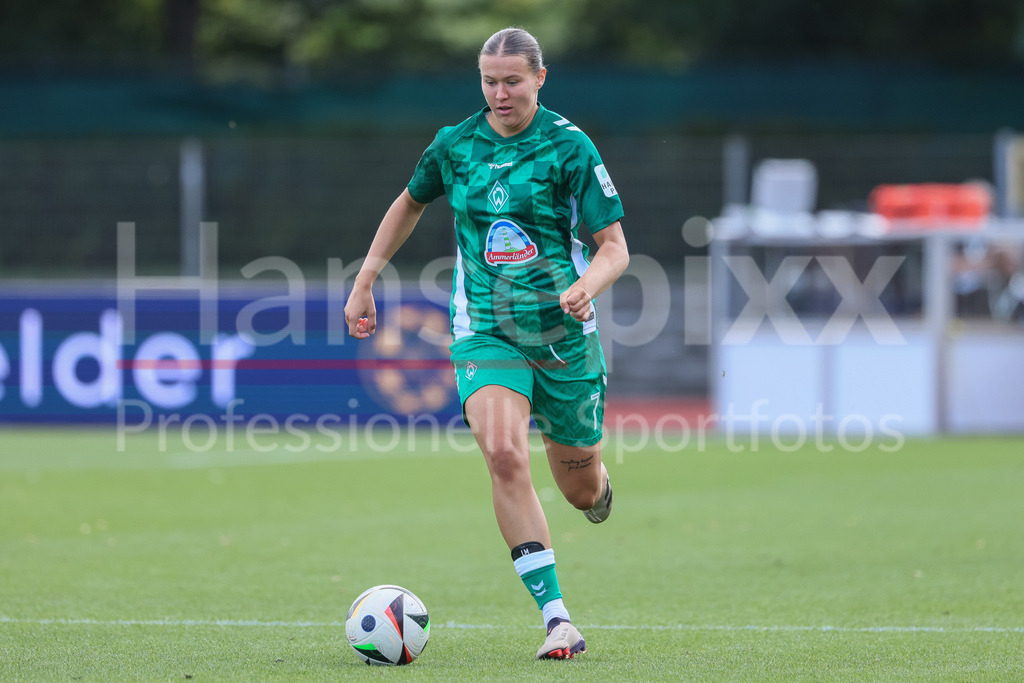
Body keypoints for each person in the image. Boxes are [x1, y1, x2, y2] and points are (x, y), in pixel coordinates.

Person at [344, 26, 629, 661]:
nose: (499, 94)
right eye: (488, 82)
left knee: (578, 488)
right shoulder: (455, 146)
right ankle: (557, 618)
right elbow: (409, 203)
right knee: (503, 452)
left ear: (540, 79)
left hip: (562, 337)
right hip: (486, 330)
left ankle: (598, 483)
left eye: (512, 82)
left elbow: (615, 248)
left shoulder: (569, 147)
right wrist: (366, 279)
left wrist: (588, 285)